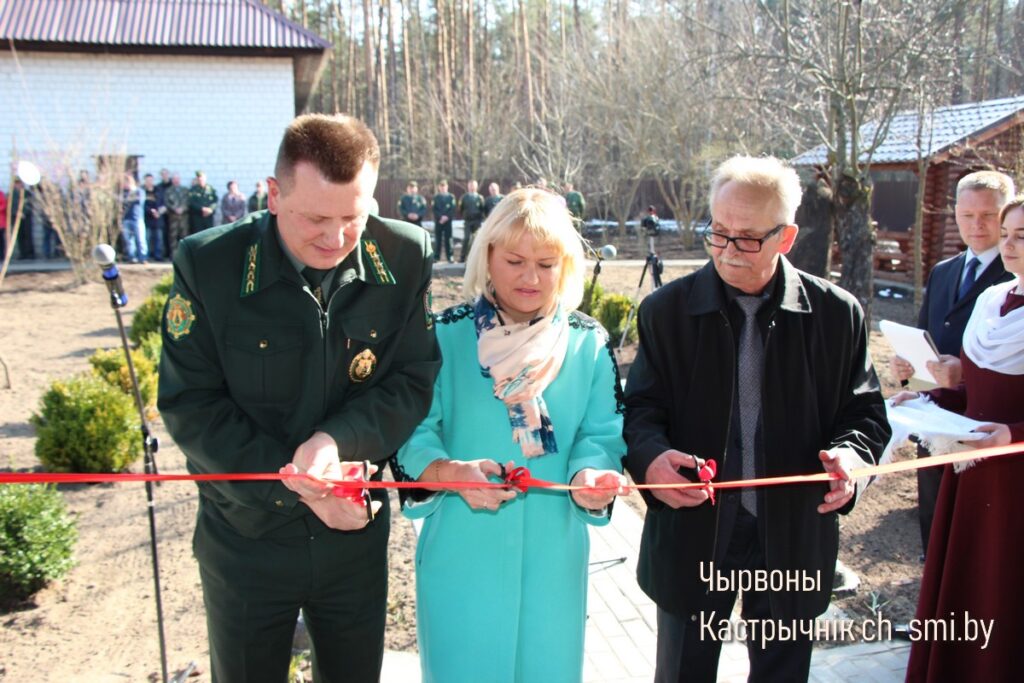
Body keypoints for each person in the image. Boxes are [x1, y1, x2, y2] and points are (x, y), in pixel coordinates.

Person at [157, 113, 441, 683]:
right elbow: (191, 404)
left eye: (353, 218)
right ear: (273, 194)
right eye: (315, 218)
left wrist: (335, 441)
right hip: (247, 537)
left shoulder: (404, 255)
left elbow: (411, 378)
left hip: (352, 536)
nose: (335, 239)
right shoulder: (210, 264)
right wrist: (296, 487)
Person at [623, 155, 890, 683]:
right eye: (718, 232)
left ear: (786, 237)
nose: (727, 251)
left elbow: (865, 414)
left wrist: (851, 461)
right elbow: (639, 411)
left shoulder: (838, 315)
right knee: (682, 672)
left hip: (792, 532)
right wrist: (650, 459)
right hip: (694, 531)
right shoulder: (665, 311)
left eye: (746, 238)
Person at [396, 187, 627, 682]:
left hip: (553, 556)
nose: (531, 277)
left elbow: (601, 436)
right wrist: (448, 472)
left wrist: (591, 477)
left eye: (546, 264)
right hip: (462, 551)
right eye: (516, 261)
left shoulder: (589, 343)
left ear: (566, 266)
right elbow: (413, 433)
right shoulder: (441, 335)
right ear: (488, 257)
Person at [893, 194, 1024, 681]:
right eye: (1005, 234)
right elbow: (976, 390)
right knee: (967, 582)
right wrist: (929, 399)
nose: (1008, 245)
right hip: (972, 471)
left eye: (1021, 236)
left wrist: (1013, 433)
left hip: (1015, 481)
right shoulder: (993, 302)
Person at [888, 170, 1014, 558]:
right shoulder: (944, 271)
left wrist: (964, 372)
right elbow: (926, 332)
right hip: (937, 415)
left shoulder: (1014, 272)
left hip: (987, 421)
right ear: (954, 214)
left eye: (988, 215)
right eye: (967, 215)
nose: (977, 225)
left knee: (978, 535)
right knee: (933, 514)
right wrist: (908, 366)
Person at [121, 174, 147, 263]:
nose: (124, 185)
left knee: (140, 239)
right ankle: (131, 257)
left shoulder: (139, 191)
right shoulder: (124, 193)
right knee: (128, 240)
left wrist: (129, 195)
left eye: (126, 183)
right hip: (126, 219)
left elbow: (139, 201)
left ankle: (142, 258)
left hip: (137, 219)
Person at [164, 172, 190, 256]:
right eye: (174, 179)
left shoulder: (185, 190)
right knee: (173, 236)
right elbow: (167, 202)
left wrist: (183, 208)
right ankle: (174, 255)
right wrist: (174, 209)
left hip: (184, 217)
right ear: (172, 180)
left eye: (177, 179)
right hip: (173, 217)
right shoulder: (168, 191)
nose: (176, 181)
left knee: (184, 236)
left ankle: (185, 255)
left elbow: (189, 201)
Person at [458, 179, 484, 262]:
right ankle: (462, 257)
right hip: (468, 221)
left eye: (473, 186)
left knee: (477, 239)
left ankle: (476, 258)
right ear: (468, 187)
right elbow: (460, 209)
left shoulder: (480, 198)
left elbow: (482, 209)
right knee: (466, 238)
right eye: (470, 186)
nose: (472, 187)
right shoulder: (464, 197)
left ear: (476, 187)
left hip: (477, 221)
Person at [430, 179, 456, 262]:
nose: (443, 188)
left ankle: (450, 256)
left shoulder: (451, 197)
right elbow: (434, 209)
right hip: (438, 221)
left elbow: (452, 209)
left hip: (448, 221)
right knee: (438, 239)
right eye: (441, 186)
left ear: (447, 187)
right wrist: (440, 217)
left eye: (444, 186)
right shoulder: (436, 198)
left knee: (449, 239)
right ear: (439, 187)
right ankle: (436, 257)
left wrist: (447, 217)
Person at [142, 174, 165, 262]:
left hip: (158, 219)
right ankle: (146, 256)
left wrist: (159, 212)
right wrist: (150, 211)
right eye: (147, 180)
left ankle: (158, 255)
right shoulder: (142, 191)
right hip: (147, 219)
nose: (149, 182)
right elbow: (142, 205)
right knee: (147, 238)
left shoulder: (158, 190)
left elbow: (163, 203)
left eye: (151, 180)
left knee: (159, 238)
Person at [10, 179, 34, 260]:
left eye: (20, 183)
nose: (19, 185)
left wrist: (24, 212)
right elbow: (11, 206)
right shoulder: (12, 194)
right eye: (17, 183)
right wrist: (17, 213)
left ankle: (30, 253)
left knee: (28, 235)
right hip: (16, 217)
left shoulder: (27, 193)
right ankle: (22, 253)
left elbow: (29, 204)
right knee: (20, 236)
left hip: (26, 217)